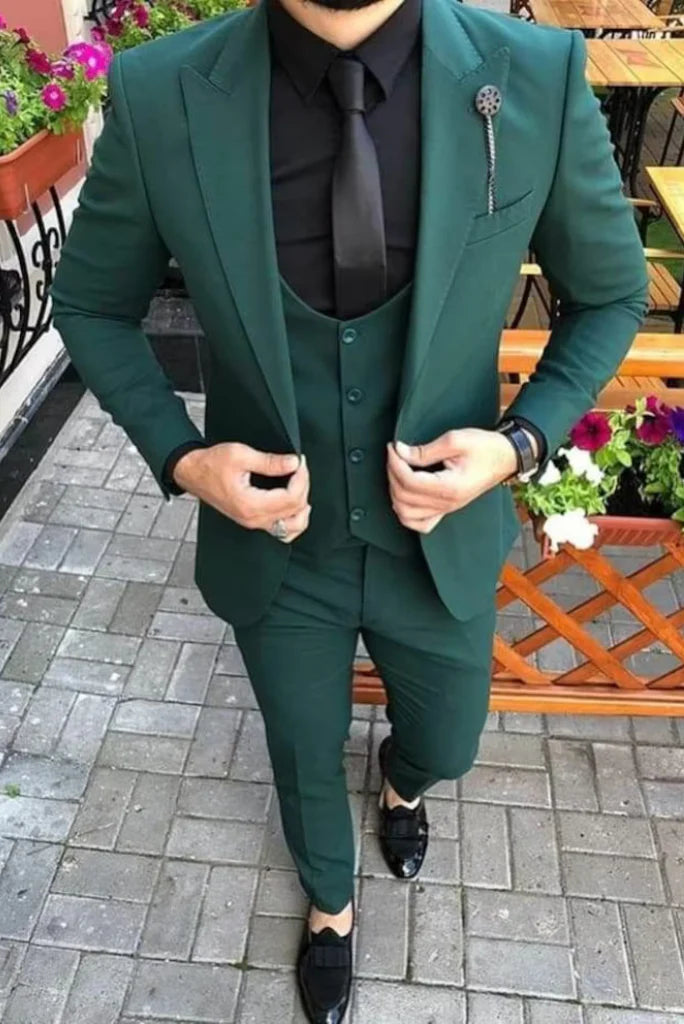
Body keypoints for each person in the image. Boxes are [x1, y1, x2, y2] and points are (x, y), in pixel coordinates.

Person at [50, 0, 649, 1017]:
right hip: (276, 542)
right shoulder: (160, 94)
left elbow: (611, 294)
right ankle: (330, 904)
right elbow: (90, 304)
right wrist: (184, 460)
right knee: (299, 745)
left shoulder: (534, 76)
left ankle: (404, 781)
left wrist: (518, 443)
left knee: (450, 740)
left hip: (438, 536)